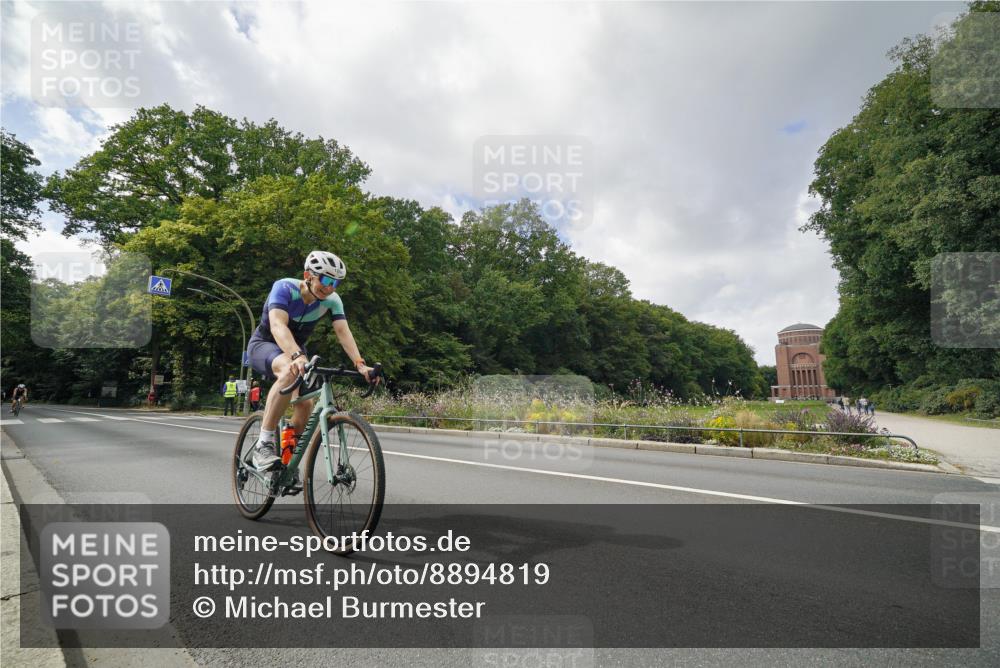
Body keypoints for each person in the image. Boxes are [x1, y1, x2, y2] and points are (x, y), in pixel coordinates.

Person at [246, 250, 378, 471]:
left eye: (336, 283)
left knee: (306, 404)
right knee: (289, 372)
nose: (330, 287)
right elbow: (278, 326)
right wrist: (297, 356)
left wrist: (360, 364)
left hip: (297, 352)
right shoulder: (284, 287)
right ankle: (263, 444)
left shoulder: (332, 300)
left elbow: (343, 332)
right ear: (308, 275)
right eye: (325, 280)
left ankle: (286, 464)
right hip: (266, 344)